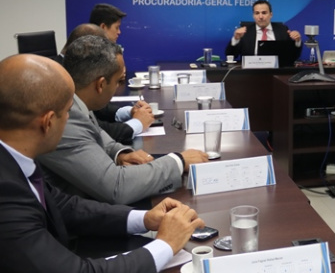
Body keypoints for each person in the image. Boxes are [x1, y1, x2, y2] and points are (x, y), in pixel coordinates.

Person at [0, 54, 204, 273]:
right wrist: (165, 245)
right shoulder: (4, 192)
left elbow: (65, 207)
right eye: (67, 113)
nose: (70, 121)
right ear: (48, 122)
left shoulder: (14, 157)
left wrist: (143, 219)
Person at [38, 35, 208, 205]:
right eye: (119, 81)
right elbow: (117, 187)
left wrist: (121, 154)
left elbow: (96, 135)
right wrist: (179, 161)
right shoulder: (63, 116)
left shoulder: (76, 100)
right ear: (100, 85)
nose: (119, 87)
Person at [60, 23, 154, 143]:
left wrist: (129, 112)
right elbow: (97, 132)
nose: (119, 32)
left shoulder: (80, 93)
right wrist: (138, 123)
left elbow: (98, 122)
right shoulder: (64, 102)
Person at [225, 0, 302, 63]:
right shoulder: (245, 32)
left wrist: (297, 41)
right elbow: (231, 55)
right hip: (250, 72)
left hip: (277, 71)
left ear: (271, 14)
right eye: (257, 13)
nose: (261, 16)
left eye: (264, 13)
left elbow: (293, 56)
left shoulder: (282, 30)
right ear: (253, 15)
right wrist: (236, 39)